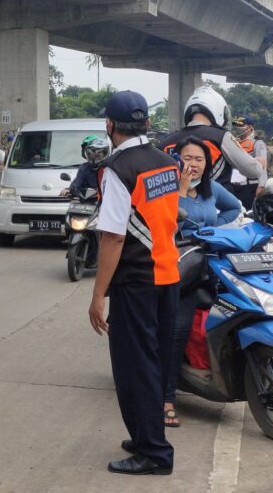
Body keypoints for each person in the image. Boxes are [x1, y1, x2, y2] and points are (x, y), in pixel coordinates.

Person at [89, 90, 179, 476]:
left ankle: (154, 452)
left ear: (110, 125)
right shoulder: (166, 162)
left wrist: (97, 296)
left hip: (137, 281)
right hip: (167, 274)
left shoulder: (117, 169)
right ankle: (147, 434)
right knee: (152, 360)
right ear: (144, 124)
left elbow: (113, 236)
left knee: (134, 365)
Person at [163, 137, 241, 428]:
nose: (193, 165)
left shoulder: (213, 190)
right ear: (177, 159)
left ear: (208, 164)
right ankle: (166, 398)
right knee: (179, 328)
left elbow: (234, 209)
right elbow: (168, 222)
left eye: (199, 159)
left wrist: (213, 230)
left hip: (212, 267)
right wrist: (181, 191)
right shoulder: (169, 190)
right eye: (188, 158)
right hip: (183, 271)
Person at [158, 86, 264, 192]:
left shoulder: (165, 143)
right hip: (216, 204)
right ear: (218, 110)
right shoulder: (221, 136)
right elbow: (252, 171)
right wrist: (259, 164)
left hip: (175, 204)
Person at [230, 115, 268, 210]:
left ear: (250, 127)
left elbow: (263, 166)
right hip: (234, 187)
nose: (238, 128)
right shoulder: (234, 142)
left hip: (250, 187)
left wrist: (261, 186)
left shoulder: (257, 143)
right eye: (237, 125)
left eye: (242, 125)